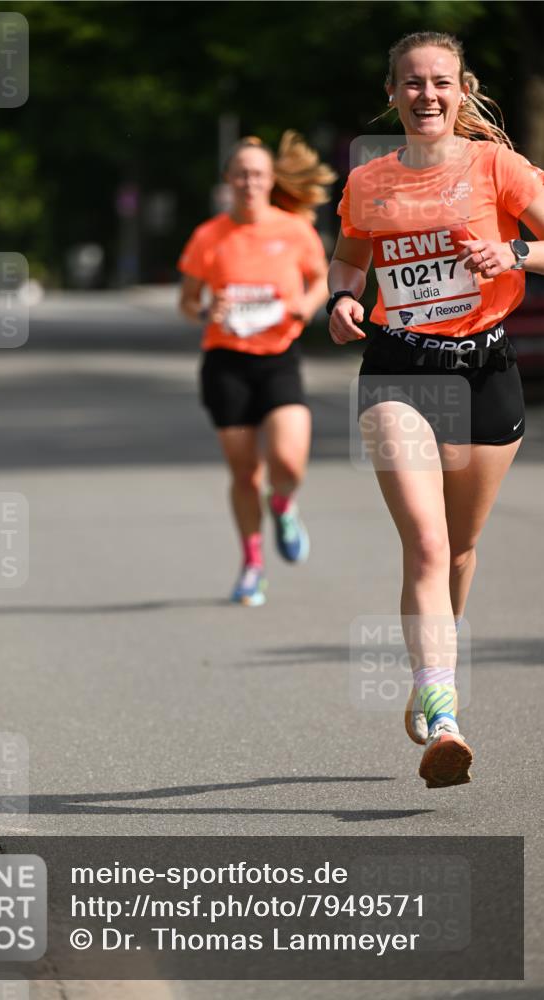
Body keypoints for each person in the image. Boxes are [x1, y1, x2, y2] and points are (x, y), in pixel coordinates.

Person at [327, 31, 544, 787]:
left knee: (457, 549)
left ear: (461, 89)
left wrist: (515, 254)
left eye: (440, 82)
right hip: (400, 369)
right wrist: (342, 299)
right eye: (412, 83)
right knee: (424, 541)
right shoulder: (369, 181)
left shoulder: (497, 167)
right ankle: (444, 712)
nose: (427, 95)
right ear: (392, 93)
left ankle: (431, 673)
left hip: (485, 369)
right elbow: (350, 259)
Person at [179, 132, 335, 606]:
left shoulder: (294, 230)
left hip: (279, 358)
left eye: (258, 175)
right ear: (227, 180)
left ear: (271, 180)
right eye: (241, 175)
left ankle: (283, 504)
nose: (249, 183)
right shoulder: (208, 236)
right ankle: (252, 565)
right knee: (245, 473)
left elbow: (322, 280)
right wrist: (207, 310)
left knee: (288, 462)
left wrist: (305, 306)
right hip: (226, 362)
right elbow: (186, 302)